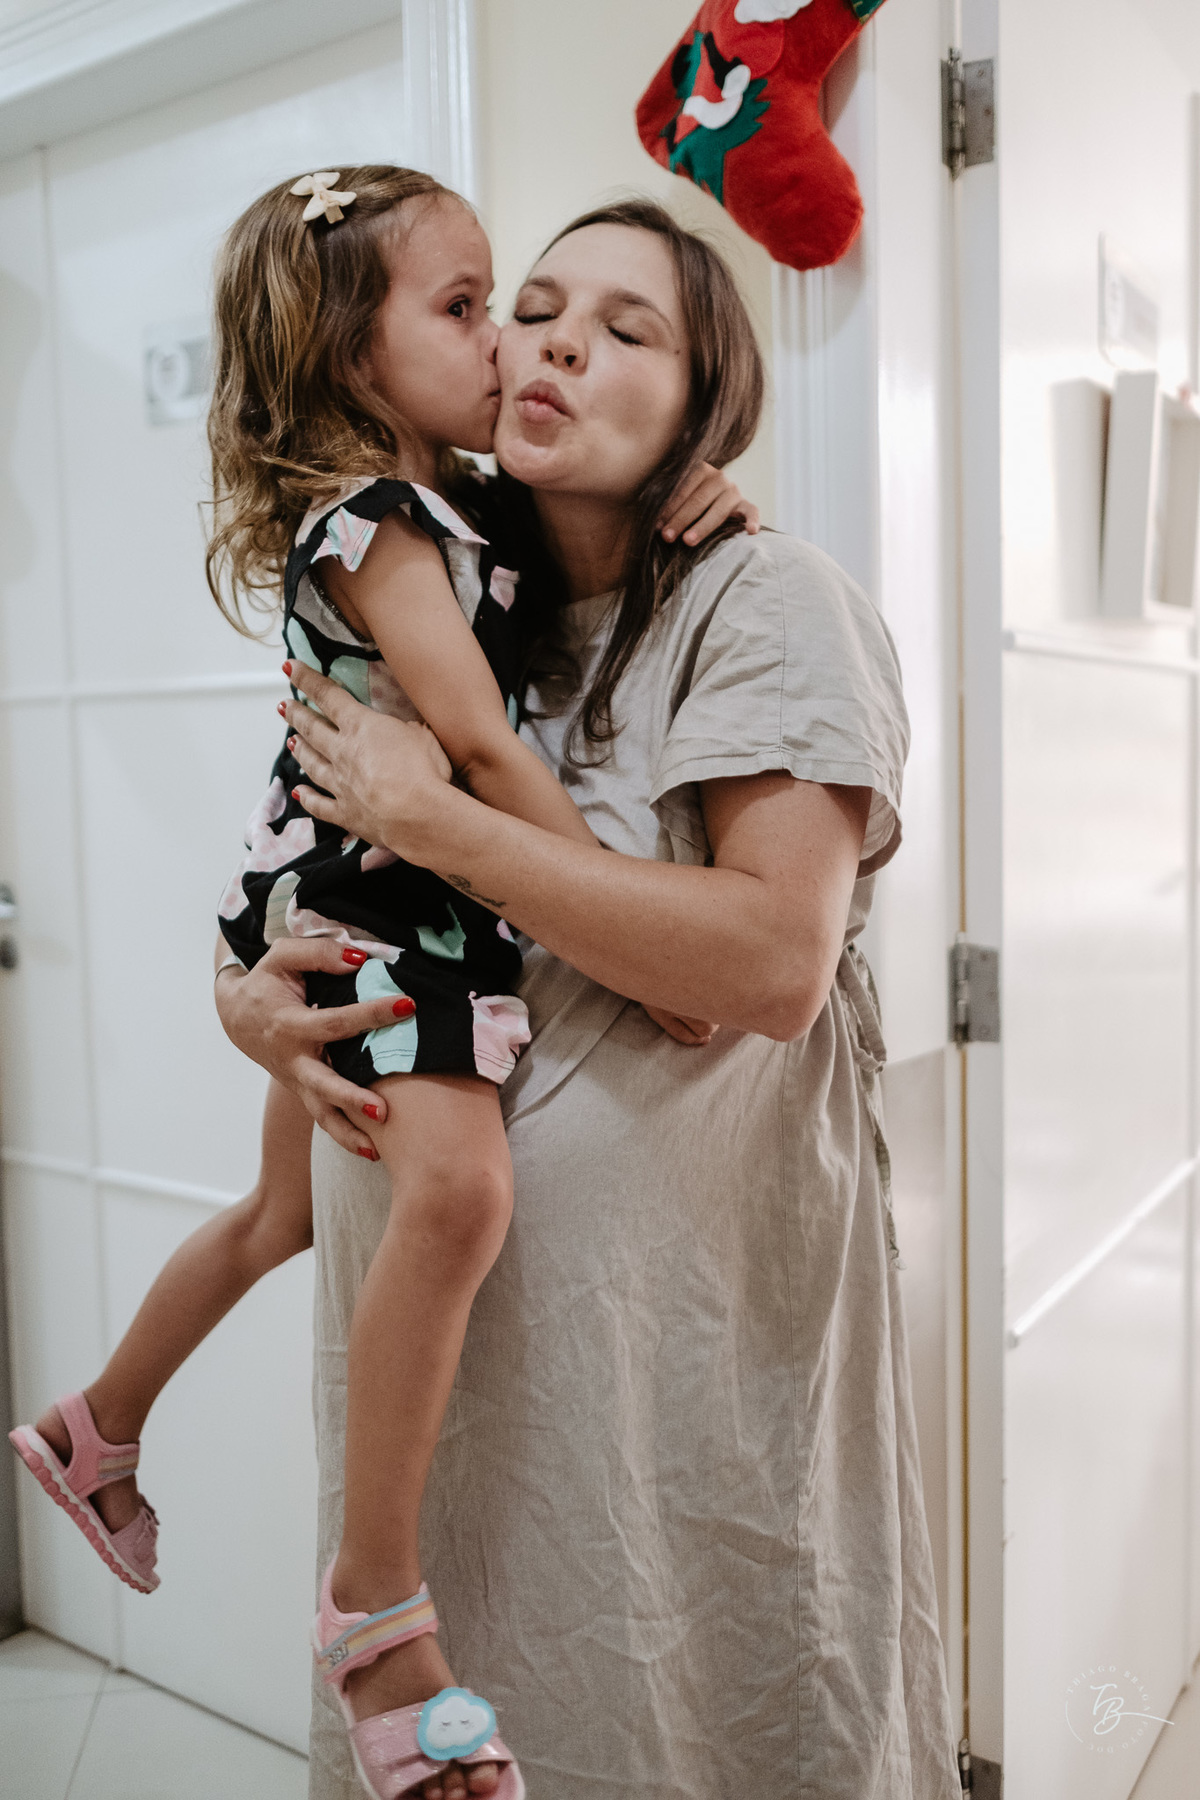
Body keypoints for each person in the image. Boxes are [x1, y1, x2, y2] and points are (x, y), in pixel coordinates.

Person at [8, 169, 754, 1800]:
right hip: (385, 901)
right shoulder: (380, 524)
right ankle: (376, 1609)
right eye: (469, 308)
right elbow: (478, 749)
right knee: (462, 1198)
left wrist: (705, 497)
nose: (509, 346)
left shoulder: (460, 508)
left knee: (281, 1218)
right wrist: (619, 944)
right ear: (359, 359)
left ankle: (93, 1432)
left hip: (340, 882)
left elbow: (579, 553)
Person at [219, 199, 960, 1800]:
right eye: (530, 309)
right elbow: (322, 863)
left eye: (630, 330)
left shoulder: (764, 601)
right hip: (446, 1425)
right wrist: (248, 1007)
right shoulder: (449, 587)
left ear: (703, 407)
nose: (556, 339)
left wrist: (446, 820)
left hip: (669, 1409)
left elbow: (769, 965)